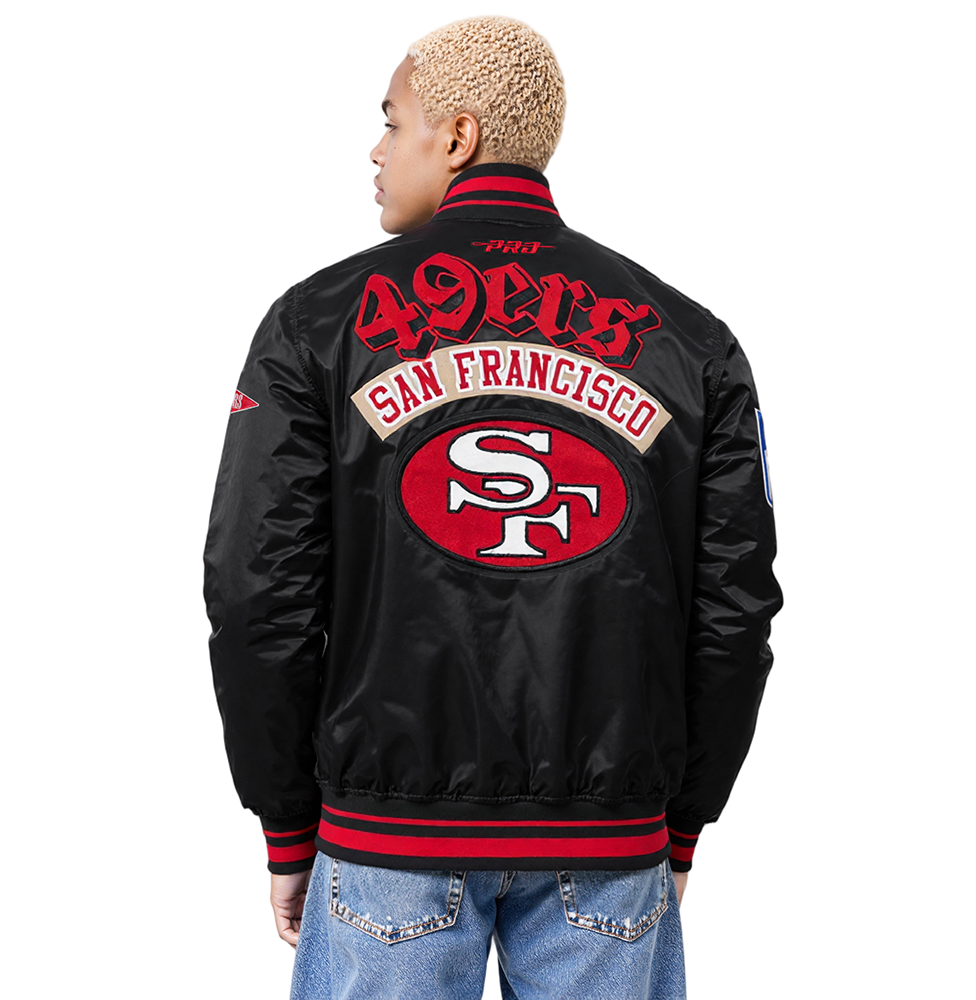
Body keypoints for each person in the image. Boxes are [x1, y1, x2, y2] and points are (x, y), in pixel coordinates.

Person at [203, 16, 782, 1000]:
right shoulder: (692, 342)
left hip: (386, 837)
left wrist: (287, 820)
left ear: (458, 137)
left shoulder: (315, 323)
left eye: (394, 122)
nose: (376, 150)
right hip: (611, 838)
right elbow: (734, 611)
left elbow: (257, 594)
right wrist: (682, 818)